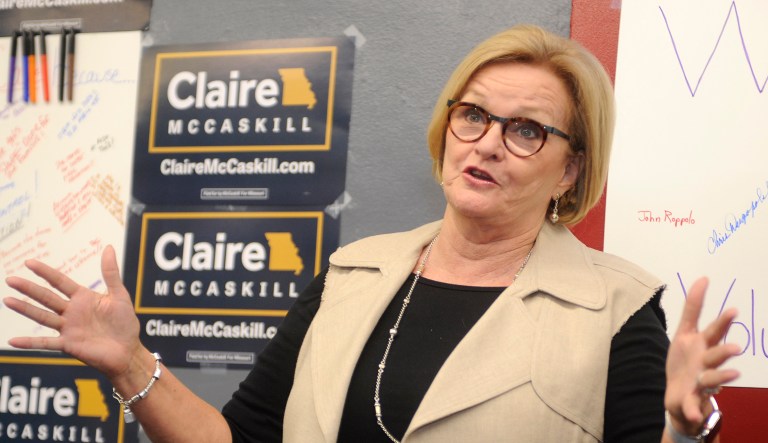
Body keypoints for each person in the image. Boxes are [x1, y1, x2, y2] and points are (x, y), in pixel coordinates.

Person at [4, 25, 740, 442]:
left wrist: (683, 432)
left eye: (526, 130)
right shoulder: (352, 273)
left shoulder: (616, 307)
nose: (484, 143)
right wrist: (131, 362)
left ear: (570, 170)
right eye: (474, 115)